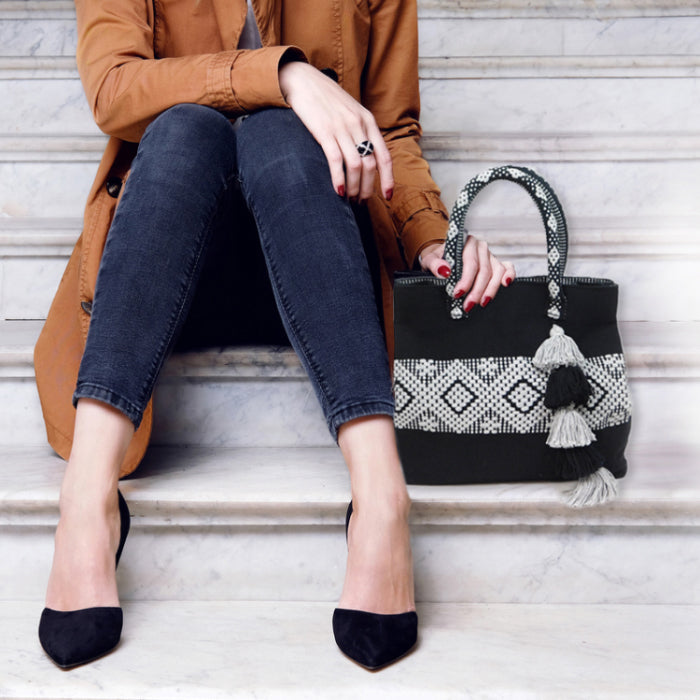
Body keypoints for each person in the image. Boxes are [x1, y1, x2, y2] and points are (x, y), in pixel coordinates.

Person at [34, 0, 515, 672]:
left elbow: (391, 130)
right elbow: (114, 89)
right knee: (185, 128)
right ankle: (86, 501)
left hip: (318, 256)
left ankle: (381, 499)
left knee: (279, 134)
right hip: (171, 266)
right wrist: (287, 75)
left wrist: (431, 237)